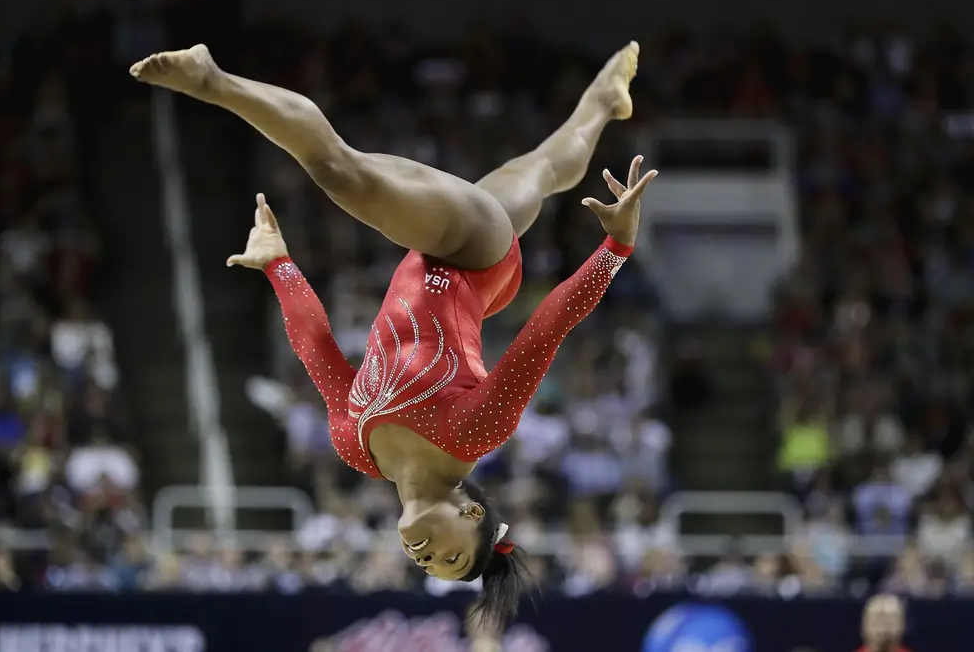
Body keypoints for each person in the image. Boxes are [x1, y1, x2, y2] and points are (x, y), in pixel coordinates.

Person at [130, 41, 656, 627]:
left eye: (429, 567)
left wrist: (279, 264)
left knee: (542, 170)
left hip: (471, 274)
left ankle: (601, 102)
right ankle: (211, 79)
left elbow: (317, 351)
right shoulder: (474, 432)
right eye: (451, 556)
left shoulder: (357, 448)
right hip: (470, 251)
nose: (426, 559)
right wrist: (616, 247)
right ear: (473, 515)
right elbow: (545, 330)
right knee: (339, 172)